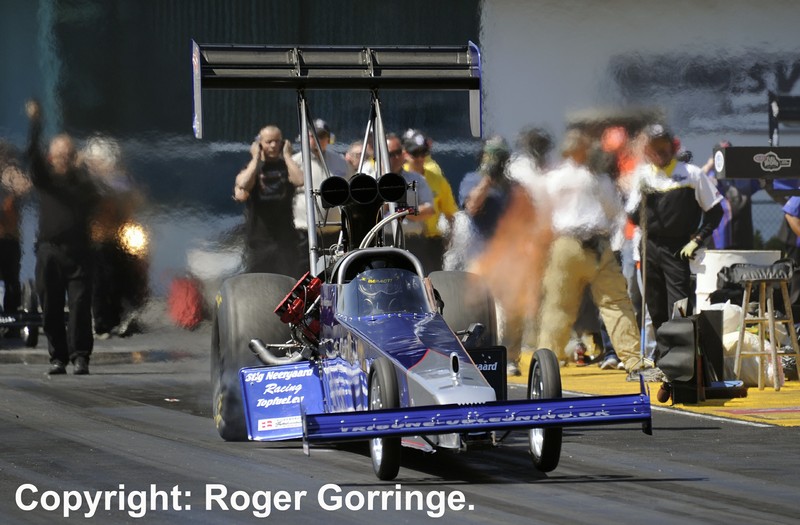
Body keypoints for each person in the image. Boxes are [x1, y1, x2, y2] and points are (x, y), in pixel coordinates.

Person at [533, 128, 644, 375]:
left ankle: (545, 363)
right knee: (615, 303)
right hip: (597, 245)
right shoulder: (596, 179)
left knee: (557, 306)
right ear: (584, 151)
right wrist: (614, 242)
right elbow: (615, 211)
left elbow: (542, 215)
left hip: (564, 245)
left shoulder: (551, 179)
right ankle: (634, 361)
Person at [25, 100, 100, 375]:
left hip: (78, 252)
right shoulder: (45, 180)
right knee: (51, 308)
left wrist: (83, 169)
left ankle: (80, 356)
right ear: (52, 157)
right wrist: (36, 124)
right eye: (59, 155)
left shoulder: (83, 183)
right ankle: (58, 357)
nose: (63, 159)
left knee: (79, 306)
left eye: (68, 155)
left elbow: (95, 198)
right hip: (49, 251)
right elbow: (32, 157)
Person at [626, 124, 724, 332]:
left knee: (680, 304)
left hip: (678, 247)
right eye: (654, 147)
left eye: (663, 145)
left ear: (672, 147)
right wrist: (641, 200)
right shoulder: (642, 176)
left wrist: (697, 240)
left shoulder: (692, 174)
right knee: (654, 305)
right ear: (647, 151)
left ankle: (681, 348)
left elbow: (716, 212)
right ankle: (662, 349)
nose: (659, 151)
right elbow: (632, 216)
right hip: (649, 246)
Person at [234, 125, 303, 276]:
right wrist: (255, 158)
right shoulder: (251, 168)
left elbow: (299, 180)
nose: (273, 145)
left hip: (285, 238)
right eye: (268, 142)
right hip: (259, 240)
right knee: (259, 279)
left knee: (287, 278)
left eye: (277, 141)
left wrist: (287, 156)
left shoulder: (287, 166)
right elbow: (243, 185)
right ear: (260, 144)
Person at [291, 119, 348, 272]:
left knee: (333, 271)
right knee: (305, 272)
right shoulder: (295, 162)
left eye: (321, 136)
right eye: (312, 136)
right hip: (305, 232)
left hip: (334, 232)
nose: (317, 140)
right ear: (304, 138)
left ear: (329, 139)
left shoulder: (340, 161)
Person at [402, 130, 458, 272]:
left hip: (433, 240)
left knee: (433, 279)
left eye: (423, 153)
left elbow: (449, 212)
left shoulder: (436, 178)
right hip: (409, 238)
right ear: (406, 154)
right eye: (415, 153)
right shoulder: (403, 177)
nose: (420, 158)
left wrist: (450, 238)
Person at [0, 141, 32, 338]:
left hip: (9, 239)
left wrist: (12, 179)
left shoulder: (11, 176)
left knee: (11, 279)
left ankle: (11, 322)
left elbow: (25, 189)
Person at [385, 133, 434, 238]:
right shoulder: (372, 180)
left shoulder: (416, 179)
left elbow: (428, 210)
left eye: (398, 152)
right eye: (391, 154)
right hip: (383, 239)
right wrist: (412, 211)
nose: (397, 157)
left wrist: (399, 210)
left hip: (412, 239)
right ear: (380, 156)